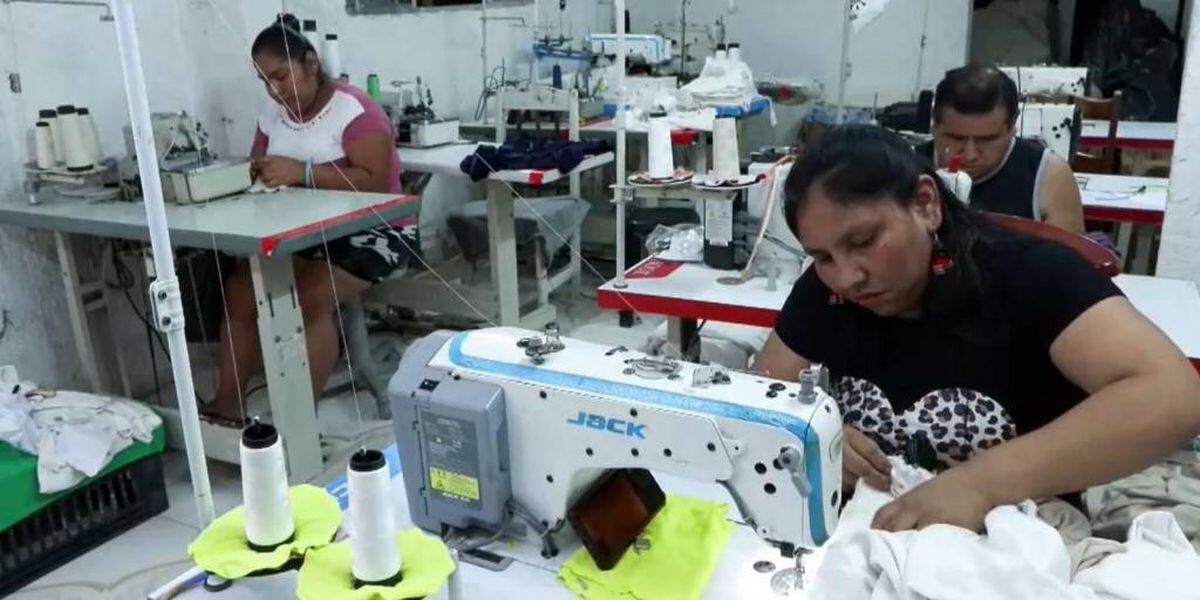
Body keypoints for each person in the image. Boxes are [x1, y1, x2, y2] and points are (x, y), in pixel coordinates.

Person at [756, 124, 1200, 532]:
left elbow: (1174, 396)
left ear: (925, 204)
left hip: (1021, 539)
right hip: (870, 534)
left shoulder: (1030, 275)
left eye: (864, 242)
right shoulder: (825, 291)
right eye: (823, 256)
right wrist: (818, 435)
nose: (848, 276)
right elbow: (760, 396)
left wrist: (981, 482)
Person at [206, 14, 419, 422]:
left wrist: (300, 173)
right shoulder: (272, 118)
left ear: (310, 63)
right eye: (265, 82)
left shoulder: (356, 110)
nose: (275, 90)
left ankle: (297, 425)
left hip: (379, 231)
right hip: (307, 234)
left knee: (308, 296)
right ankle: (228, 405)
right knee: (239, 289)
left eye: (281, 76)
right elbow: (262, 165)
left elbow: (374, 183)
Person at [915, 64, 1085, 234]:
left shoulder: (1048, 176)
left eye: (987, 140)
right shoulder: (905, 170)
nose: (970, 155)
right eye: (956, 138)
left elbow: (1067, 259)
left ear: (1013, 127)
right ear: (934, 127)